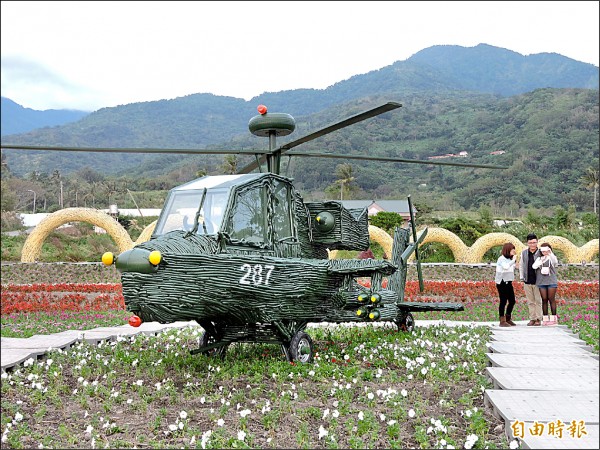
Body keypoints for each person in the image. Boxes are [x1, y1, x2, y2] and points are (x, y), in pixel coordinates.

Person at [519, 233, 542, 326]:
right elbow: (521, 265)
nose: (532, 245)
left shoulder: (540, 252)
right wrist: (521, 277)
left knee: (538, 300)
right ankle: (532, 318)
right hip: (527, 280)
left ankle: (538, 319)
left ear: (537, 242)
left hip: (538, 280)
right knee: (530, 301)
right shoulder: (524, 253)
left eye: (534, 242)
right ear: (527, 243)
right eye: (530, 243)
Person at [532, 243, 559, 322]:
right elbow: (534, 266)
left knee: (551, 299)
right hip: (541, 281)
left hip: (551, 280)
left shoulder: (551, 258)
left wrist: (550, 253)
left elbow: (555, 262)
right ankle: (545, 318)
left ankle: (554, 318)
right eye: (543, 251)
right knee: (544, 299)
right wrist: (541, 260)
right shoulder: (539, 259)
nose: (545, 252)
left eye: (546, 250)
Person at [495, 242, 518, 327]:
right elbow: (506, 267)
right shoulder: (501, 259)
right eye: (512, 249)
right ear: (508, 250)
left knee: (512, 301)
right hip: (502, 282)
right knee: (503, 301)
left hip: (509, 282)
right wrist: (513, 260)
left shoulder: (510, 259)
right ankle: (502, 320)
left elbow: (516, 267)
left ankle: (508, 318)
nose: (514, 251)